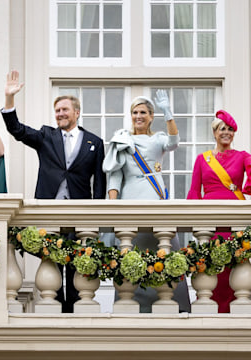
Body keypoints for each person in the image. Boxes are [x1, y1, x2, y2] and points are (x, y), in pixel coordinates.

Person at [1, 70, 106, 312]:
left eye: (64, 110)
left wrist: (97, 213)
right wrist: (9, 99)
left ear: (76, 113)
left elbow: (99, 181)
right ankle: (55, 309)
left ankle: (76, 310)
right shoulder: (46, 136)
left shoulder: (94, 142)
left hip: (79, 212)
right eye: (57, 110)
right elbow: (17, 129)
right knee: (53, 259)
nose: (59, 114)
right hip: (49, 210)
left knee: (78, 263)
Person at [102, 91, 189, 312]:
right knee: (131, 255)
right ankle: (133, 306)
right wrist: (113, 207)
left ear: (151, 116)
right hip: (130, 200)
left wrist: (167, 112)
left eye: (143, 112)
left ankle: (173, 305)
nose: (138, 116)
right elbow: (114, 176)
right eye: (134, 112)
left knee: (165, 252)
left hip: (156, 199)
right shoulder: (122, 138)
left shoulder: (158, 138)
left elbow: (174, 141)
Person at [187, 109, 251, 313]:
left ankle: (231, 311)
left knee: (234, 265)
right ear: (214, 132)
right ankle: (208, 311)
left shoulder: (241, 156)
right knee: (210, 265)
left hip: (234, 217)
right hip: (210, 219)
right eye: (222, 129)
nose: (226, 132)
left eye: (230, 129)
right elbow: (194, 191)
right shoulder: (202, 159)